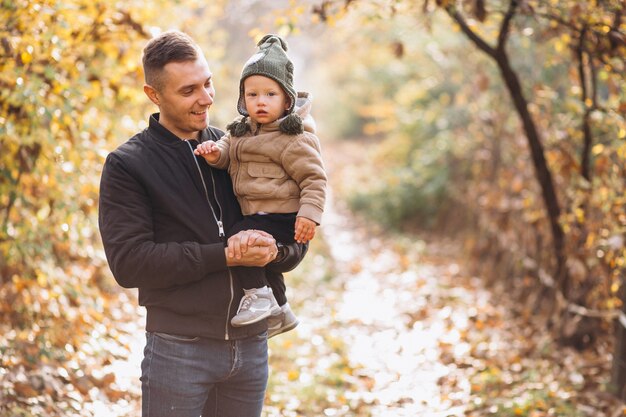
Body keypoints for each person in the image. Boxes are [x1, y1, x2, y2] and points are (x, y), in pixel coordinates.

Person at [98, 30, 307, 417]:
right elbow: (129, 263)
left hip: (251, 348)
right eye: (189, 90)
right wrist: (224, 256)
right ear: (154, 95)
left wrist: (276, 250)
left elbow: (294, 234)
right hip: (178, 350)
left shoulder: (242, 146)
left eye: (208, 83)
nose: (207, 98)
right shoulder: (128, 164)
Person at [194, 34, 327, 329]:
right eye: (252, 95)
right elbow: (226, 152)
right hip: (258, 213)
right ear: (243, 99)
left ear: (287, 100)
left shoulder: (293, 138)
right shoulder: (241, 132)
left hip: (282, 216)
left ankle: (258, 294)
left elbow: (314, 178)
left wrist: (309, 215)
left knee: (240, 241)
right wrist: (214, 154)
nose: (261, 102)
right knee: (261, 257)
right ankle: (281, 311)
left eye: (270, 94)